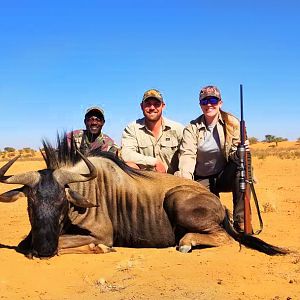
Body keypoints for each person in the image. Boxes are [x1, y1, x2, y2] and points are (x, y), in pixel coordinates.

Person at [175, 85, 247, 232]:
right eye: (204, 101)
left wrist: (240, 151)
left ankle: (242, 221)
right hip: (202, 178)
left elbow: (234, 154)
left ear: (220, 103)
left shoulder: (232, 123)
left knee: (244, 165)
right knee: (206, 213)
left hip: (223, 175)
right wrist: (186, 182)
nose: (209, 104)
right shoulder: (192, 127)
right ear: (200, 105)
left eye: (213, 100)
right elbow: (187, 155)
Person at [121, 89, 184, 174]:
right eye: (148, 104)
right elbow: (126, 154)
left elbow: (187, 155)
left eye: (156, 104)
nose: (152, 108)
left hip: (172, 180)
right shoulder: (132, 128)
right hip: (145, 181)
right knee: (128, 165)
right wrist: (154, 162)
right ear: (141, 106)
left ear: (163, 106)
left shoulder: (178, 129)